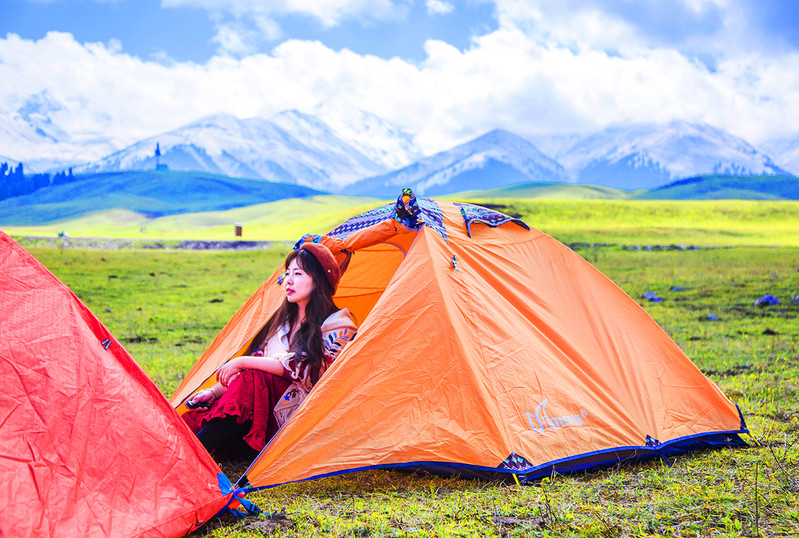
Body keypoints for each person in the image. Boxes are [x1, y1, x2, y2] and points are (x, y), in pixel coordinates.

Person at [183, 243, 358, 461]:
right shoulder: (282, 323)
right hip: (261, 412)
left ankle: (193, 454)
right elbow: (259, 361)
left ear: (318, 280)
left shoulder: (339, 325)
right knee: (200, 413)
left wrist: (242, 362)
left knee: (252, 376)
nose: (289, 281)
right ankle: (189, 449)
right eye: (287, 274)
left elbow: (305, 370)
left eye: (298, 273)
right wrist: (215, 392)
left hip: (298, 423)